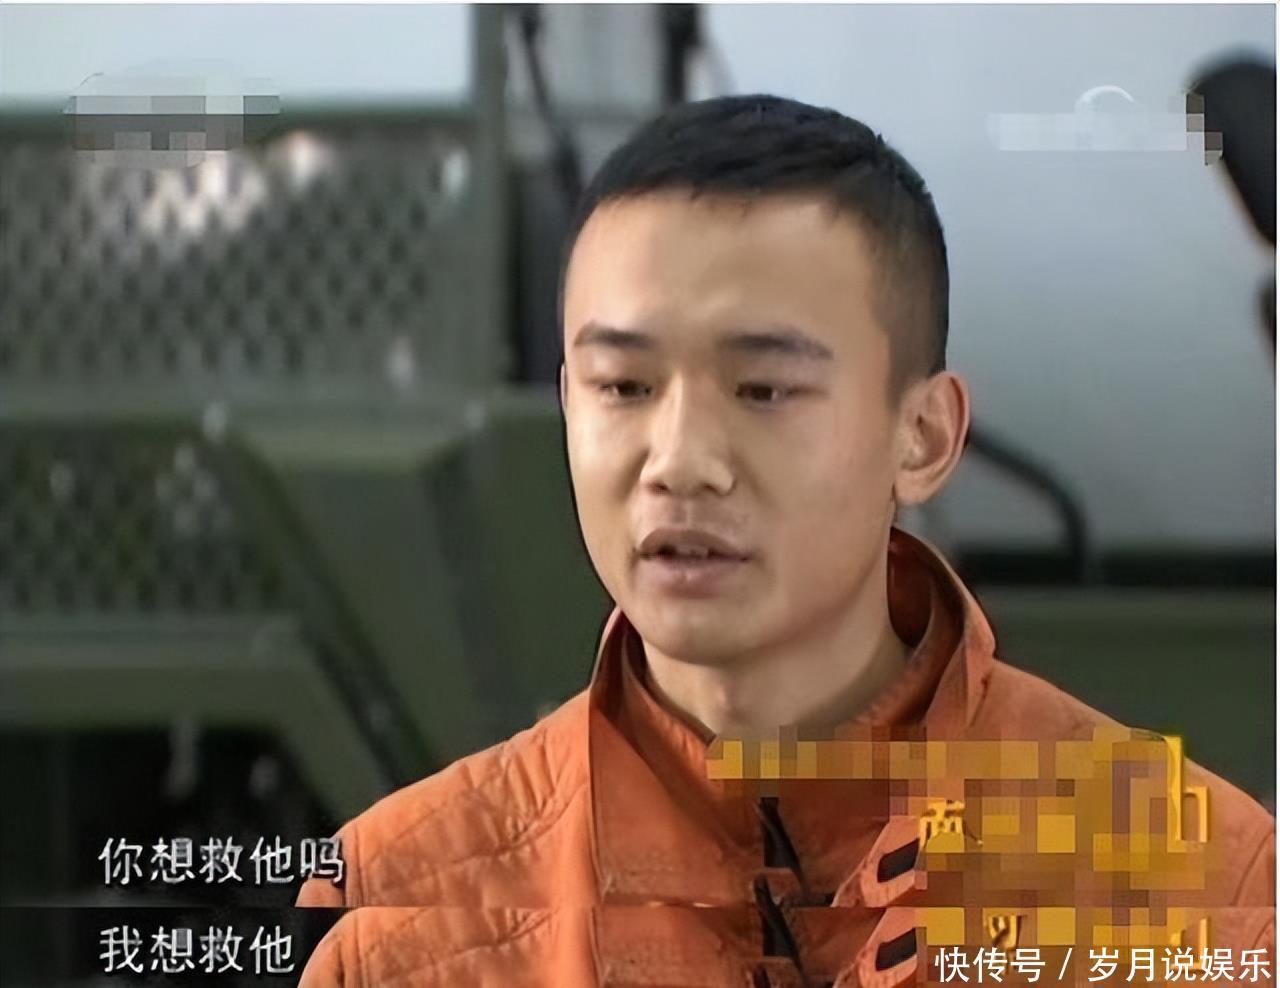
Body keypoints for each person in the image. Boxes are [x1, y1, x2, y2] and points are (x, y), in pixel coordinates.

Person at [296, 95, 1274, 987]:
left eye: (763, 389)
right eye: (623, 387)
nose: (679, 461)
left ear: (923, 436)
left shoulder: (1210, 898)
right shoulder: (395, 920)